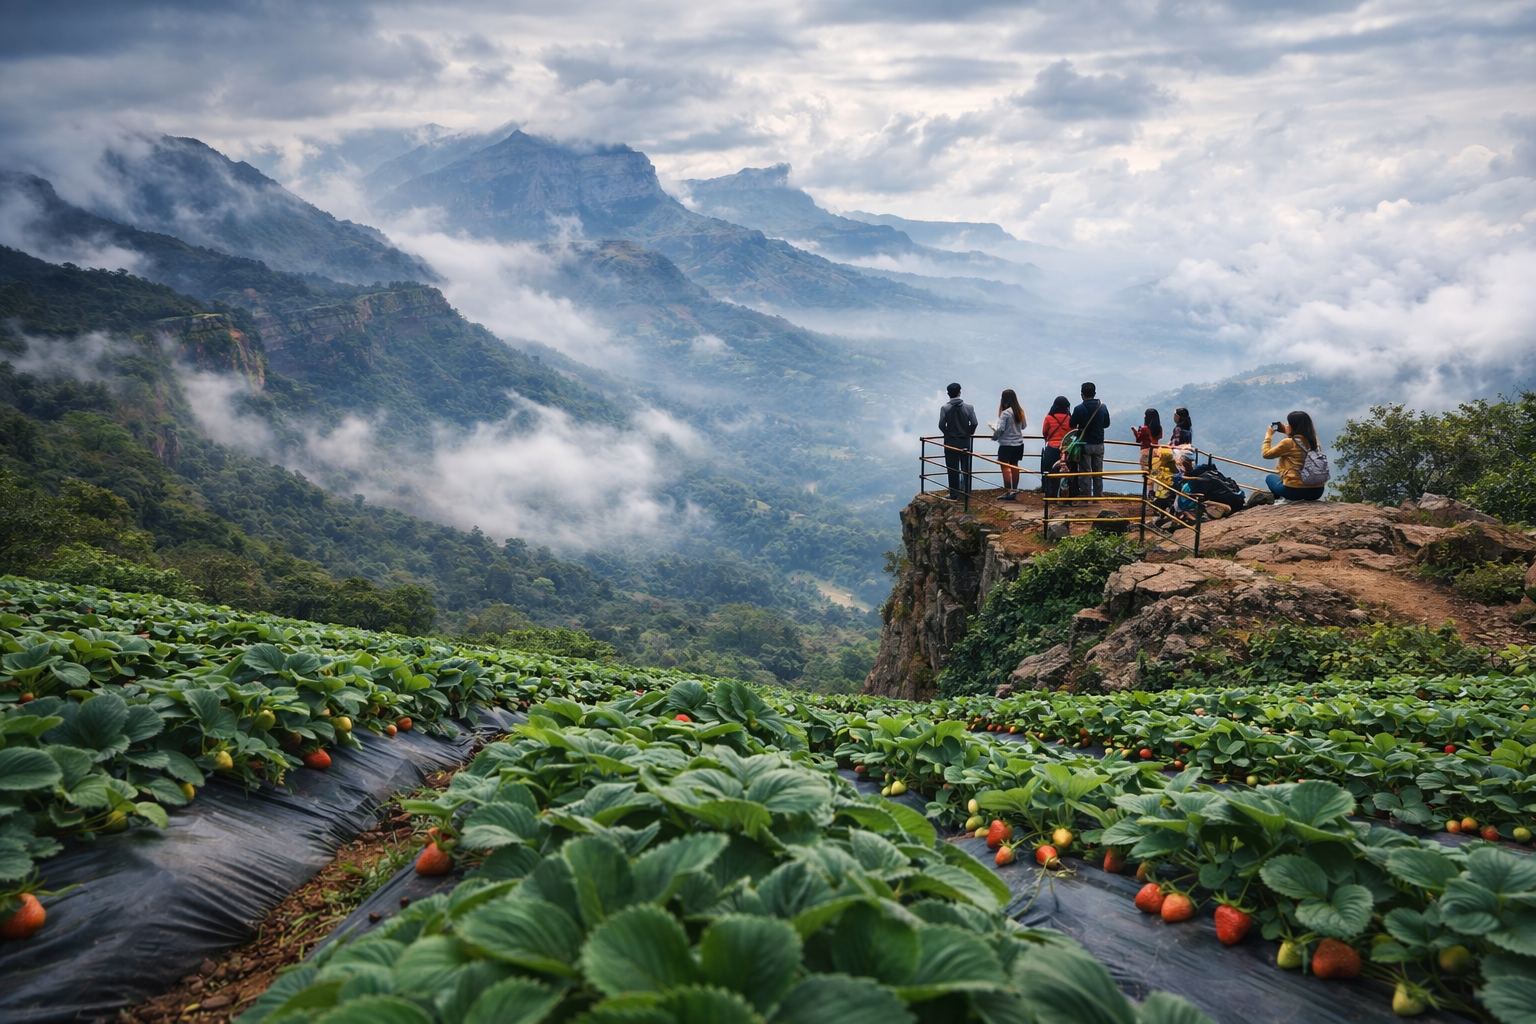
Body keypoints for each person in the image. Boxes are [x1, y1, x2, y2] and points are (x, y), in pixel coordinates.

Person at [1262, 411, 1326, 502]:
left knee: (1270, 478)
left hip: (1293, 491)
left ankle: (1279, 502)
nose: (1286, 425)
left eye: (1288, 423)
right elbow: (1299, 442)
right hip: (1317, 491)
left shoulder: (1287, 443)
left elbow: (1266, 454)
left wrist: (1268, 435)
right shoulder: (1314, 441)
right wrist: (1286, 431)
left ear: (1293, 426)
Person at [1069, 382, 1111, 498]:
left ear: (1082, 395)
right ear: (1095, 393)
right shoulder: (1102, 407)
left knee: (1085, 472)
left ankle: (1086, 496)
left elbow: (1071, 424)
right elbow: (1106, 424)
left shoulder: (1078, 409)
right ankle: (1098, 496)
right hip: (1099, 443)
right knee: (1098, 472)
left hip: (1084, 444)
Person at [938, 382, 978, 500]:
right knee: (966, 468)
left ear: (948, 394)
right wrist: (969, 433)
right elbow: (974, 423)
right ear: (960, 392)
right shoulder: (969, 407)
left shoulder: (945, 408)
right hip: (965, 442)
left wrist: (947, 433)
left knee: (952, 468)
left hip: (951, 442)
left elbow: (941, 425)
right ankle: (967, 493)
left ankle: (954, 494)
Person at [992, 389, 1027, 501]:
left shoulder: (1005, 413)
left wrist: (994, 434)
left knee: (1005, 467)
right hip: (1018, 443)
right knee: (1014, 465)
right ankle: (1014, 491)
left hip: (1006, 444)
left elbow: (1000, 428)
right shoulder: (1019, 411)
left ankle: (1007, 492)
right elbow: (1023, 426)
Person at [1039, 396, 1072, 498]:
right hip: (1066, 450)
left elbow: (1045, 432)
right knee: (1065, 472)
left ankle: (1050, 494)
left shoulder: (1048, 418)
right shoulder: (1069, 418)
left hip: (1051, 448)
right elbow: (1073, 433)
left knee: (1051, 472)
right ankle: (1064, 495)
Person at [1131, 408, 1163, 498]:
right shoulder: (1159, 428)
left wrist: (1134, 430)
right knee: (1155, 474)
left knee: (1146, 475)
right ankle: (1156, 494)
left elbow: (1138, 439)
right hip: (1156, 452)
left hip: (1145, 452)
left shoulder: (1145, 429)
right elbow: (1160, 437)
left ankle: (1148, 495)